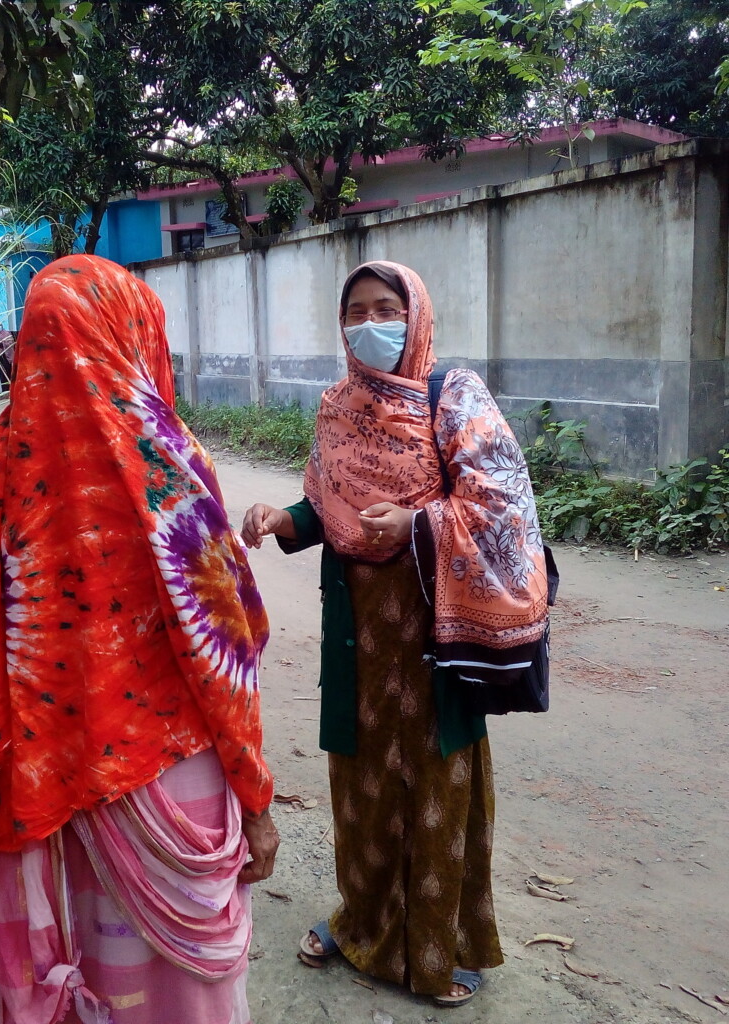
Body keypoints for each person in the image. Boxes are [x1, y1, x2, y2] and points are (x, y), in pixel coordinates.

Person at [0, 254, 279, 1024]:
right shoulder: (170, 468)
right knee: (174, 998)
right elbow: (224, 662)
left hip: (33, 793)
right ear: (131, 333)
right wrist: (256, 803)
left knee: (82, 963)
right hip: (166, 780)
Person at [241, 260, 549, 1008]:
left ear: (415, 316)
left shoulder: (456, 397)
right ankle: (361, 924)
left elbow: (503, 507)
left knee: (438, 787)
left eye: (385, 308)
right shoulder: (336, 406)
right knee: (361, 786)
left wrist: (420, 523)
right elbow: (328, 502)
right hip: (359, 632)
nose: (368, 324)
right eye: (355, 312)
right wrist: (287, 519)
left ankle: (441, 949)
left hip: (433, 629)